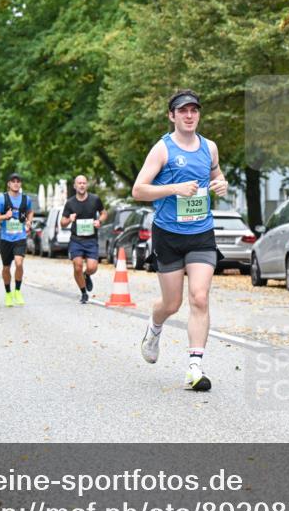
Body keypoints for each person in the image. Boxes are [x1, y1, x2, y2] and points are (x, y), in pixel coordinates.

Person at [132, 89, 229, 392]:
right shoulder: (162, 149)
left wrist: (221, 183)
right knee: (172, 303)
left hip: (201, 232)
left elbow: (216, 173)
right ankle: (154, 326)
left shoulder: (209, 147)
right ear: (171, 115)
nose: (189, 116)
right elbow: (139, 190)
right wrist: (173, 189)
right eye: (183, 111)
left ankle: (194, 368)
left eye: (194, 110)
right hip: (168, 234)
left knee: (199, 297)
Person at [60, 175, 108, 304]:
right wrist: (69, 219)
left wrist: (99, 221)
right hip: (76, 240)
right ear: (75, 186)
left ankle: (87, 275)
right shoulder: (70, 203)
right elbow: (62, 222)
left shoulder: (95, 199)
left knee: (92, 267)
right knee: (77, 266)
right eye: (79, 183)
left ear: (86, 185)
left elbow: (104, 213)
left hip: (91, 240)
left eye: (84, 183)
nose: (81, 185)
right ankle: (83, 293)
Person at [0, 172, 34, 307]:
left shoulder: (26, 199)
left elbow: (30, 211)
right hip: (5, 238)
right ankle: (8, 293)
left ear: (20, 184)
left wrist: (29, 221)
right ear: (9, 184)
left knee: (19, 263)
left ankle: (17, 291)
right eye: (13, 181)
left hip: (20, 237)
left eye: (18, 181)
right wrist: (5, 216)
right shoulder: (1, 199)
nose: (16, 183)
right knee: (6, 267)